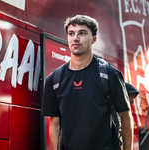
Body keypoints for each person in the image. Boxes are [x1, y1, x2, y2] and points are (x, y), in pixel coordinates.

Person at [42, 15, 133, 150]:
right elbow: (55, 124)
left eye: (82, 33)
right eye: (71, 33)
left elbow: (125, 117)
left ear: (94, 39)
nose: (75, 38)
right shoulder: (54, 79)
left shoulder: (110, 74)